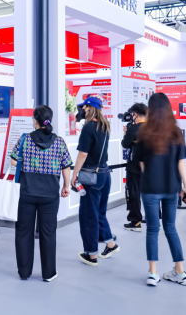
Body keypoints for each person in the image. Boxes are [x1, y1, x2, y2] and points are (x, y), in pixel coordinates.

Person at [133, 93, 186, 287]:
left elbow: (142, 164)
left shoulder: (144, 132)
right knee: (170, 228)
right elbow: (181, 162)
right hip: (171, 187)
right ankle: (180, 272)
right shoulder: (175, 132)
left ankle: (153, 273)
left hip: (150, 187)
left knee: (152, 229)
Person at [10, 105, 72, 281]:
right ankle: (49, 273)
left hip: (27, 193)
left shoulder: (25, 139)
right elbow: (66, 166)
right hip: (50, 194)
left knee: (23, 232)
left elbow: (14, 161)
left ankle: (24, 272)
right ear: (49, 120)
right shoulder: (59, 141)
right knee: (48, 233)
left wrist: (28, 161)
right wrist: (66, 186)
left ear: (35, 121)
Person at [71, 96, 119, 267]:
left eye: (84, 107)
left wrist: (74, 174)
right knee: (99, 212)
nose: (82, 110)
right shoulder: (105, 126)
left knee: (88, 215)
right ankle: (110, 244)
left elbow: (83, 154)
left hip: (91, 176)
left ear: (89, 108)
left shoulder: (88, 128)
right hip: (105, 173)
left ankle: (91, 255)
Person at [121, 103, 147, 231]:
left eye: (132, 114)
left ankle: (135, 222)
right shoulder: (153, 127)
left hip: (135, 165)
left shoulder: (133, 129)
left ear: (135, 114)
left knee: (134, 192)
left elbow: (125, 144)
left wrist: (126, 134)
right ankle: (154, 217)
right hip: (151, 165)